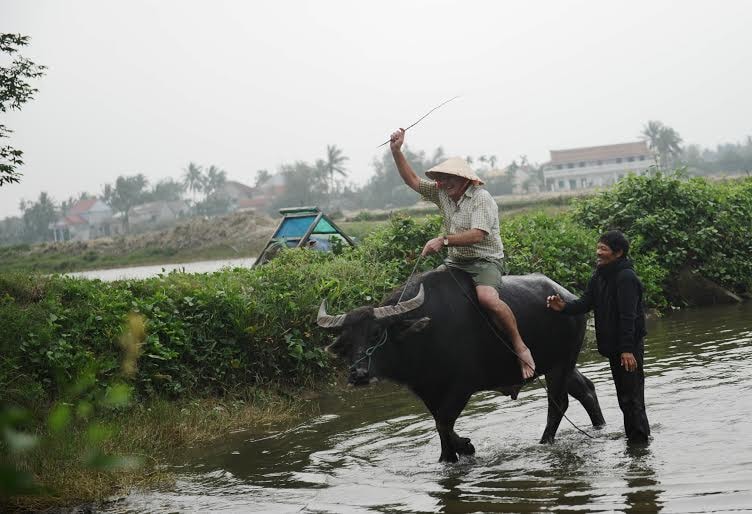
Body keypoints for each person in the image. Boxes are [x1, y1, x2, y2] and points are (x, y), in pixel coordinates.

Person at [389, 128, 536, 380]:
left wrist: (443, 240)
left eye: (449, 179)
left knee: (488, 300)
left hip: (484, 260)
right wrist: (396, 151)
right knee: (428, 292)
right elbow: (412, 180)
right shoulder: (442, 193)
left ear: (465, 179)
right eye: (441, 179)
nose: (444, 184)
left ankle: (520, 347)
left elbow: (478, 234)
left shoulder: (481, 198)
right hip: (456, 261)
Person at [546, 230, 650, 443]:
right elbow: (585, 303)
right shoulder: (600, 276)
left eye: (604, 249)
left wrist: (628, 349)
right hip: (616, 348)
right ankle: (635, 444)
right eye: (598, 247)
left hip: (628, 349)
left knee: (633, 398)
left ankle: (640, 444)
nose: (598, 252)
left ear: (618, 253)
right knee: (624, 398)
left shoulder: (626, 278)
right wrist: (563, 306)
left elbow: (629, 317)